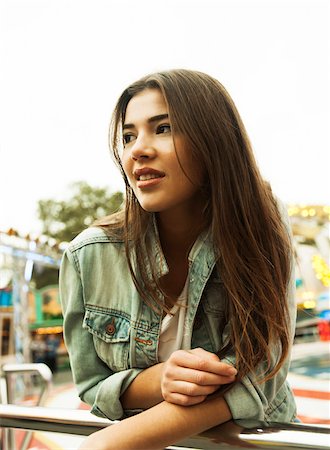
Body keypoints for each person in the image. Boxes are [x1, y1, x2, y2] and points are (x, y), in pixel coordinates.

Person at [59, 69, 297, 450]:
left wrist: (107, 444)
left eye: (164, 128)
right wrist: (160, 378)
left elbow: (260, 378)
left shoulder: (261, 224)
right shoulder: (88, 255)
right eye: (128, 135)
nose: (138, 149)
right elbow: (91, 385)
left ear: (214, 139)